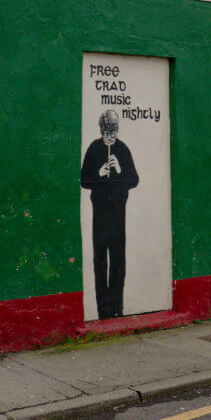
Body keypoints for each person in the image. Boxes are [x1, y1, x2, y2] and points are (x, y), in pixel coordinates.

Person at [80, 110, 139, 319]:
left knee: (117, 260)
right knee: (100, 261)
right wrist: (98, 174)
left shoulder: (122, 150)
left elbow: (134, 180)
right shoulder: (94, 149)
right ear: (101, 130)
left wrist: (120, 170)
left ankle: (117, 307)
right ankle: (103, 309)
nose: (110, 136)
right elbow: (84, 180)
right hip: (99, 214)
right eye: (106, 132)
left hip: (118, 215)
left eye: (113, 132)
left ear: (117, 130)